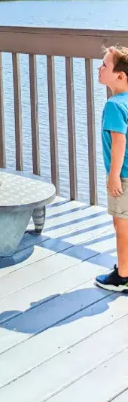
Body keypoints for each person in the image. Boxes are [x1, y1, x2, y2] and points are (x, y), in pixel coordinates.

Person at [95, 46, 128, 292]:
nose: (99, 67)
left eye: (105, 65)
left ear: (120, 75)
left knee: (122, 226)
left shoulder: (114, 105)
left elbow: (119, 141)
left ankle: (123, 275)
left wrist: (114, 176)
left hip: (124, 176)